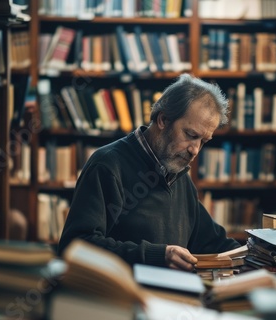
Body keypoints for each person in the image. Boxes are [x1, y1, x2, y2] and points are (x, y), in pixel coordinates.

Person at [58, 74, 240, 271]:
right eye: (190, 135)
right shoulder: (107, 165)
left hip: (167, 296)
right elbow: (75, 246)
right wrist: (157, 256)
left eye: (203, 141)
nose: (195, 150)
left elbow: (214, 243)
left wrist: (261, 254)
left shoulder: (179, 178)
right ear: (163, 120)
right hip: (119, 297)